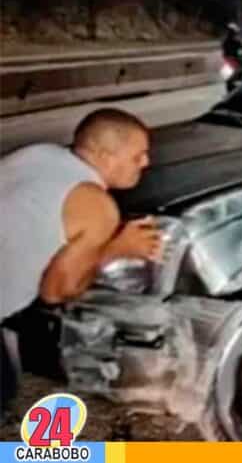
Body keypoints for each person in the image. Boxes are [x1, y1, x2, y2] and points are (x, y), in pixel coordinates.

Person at [0, 108, 162, 417]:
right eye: (138, 155)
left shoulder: (37, 153)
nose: (145, 163)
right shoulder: (96, 206)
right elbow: (57, 291)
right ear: (104, 155)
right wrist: (118, 248)